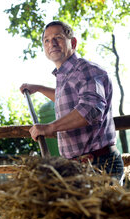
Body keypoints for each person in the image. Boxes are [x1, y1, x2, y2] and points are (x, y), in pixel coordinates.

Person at [20, 21, 124, 185]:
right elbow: (66, 99)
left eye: (58, 37)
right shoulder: (66, 76)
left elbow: (91, 109)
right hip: (77, 167)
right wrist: (39, 88)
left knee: (98, 211)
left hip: (99, 165)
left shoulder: (86, 70)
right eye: (46, 40)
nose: (52, 43)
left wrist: (50, 127)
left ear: (73, 43)